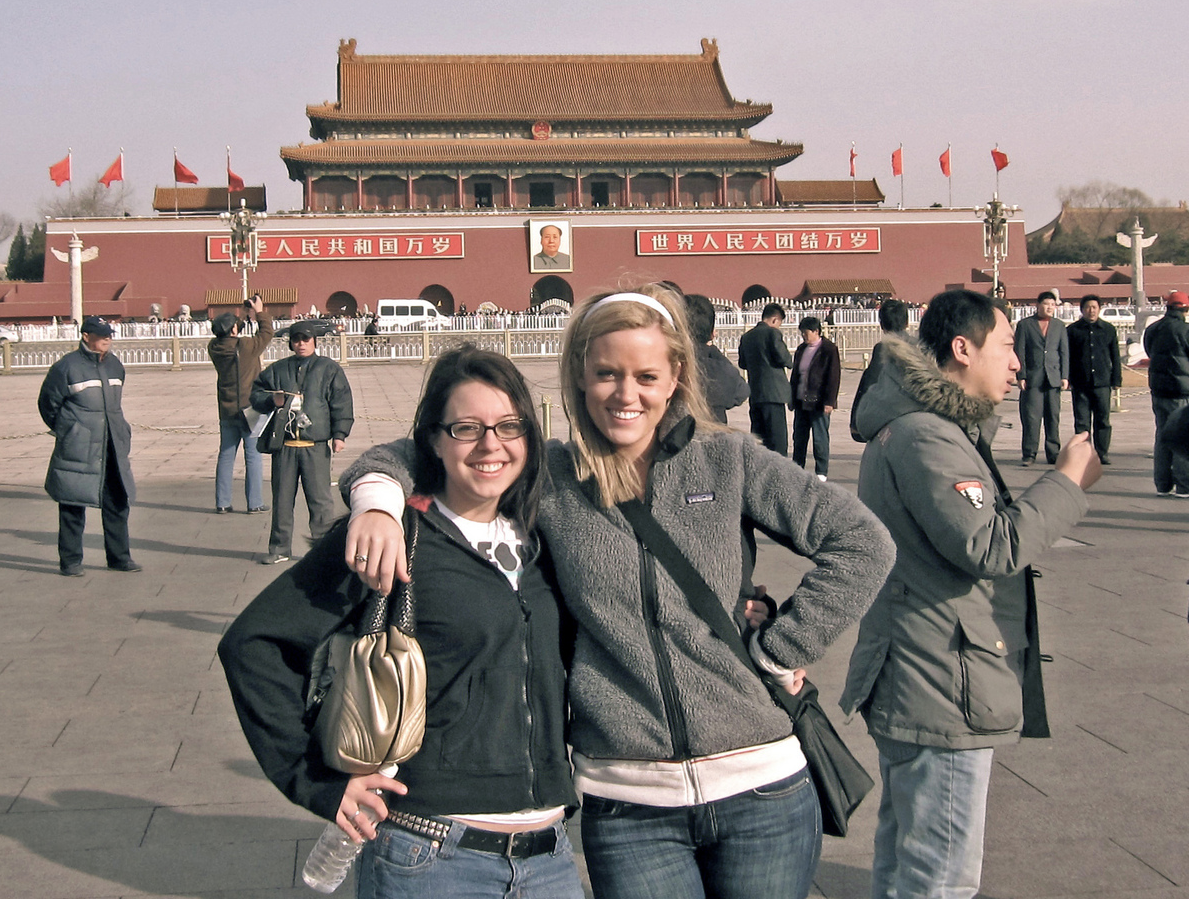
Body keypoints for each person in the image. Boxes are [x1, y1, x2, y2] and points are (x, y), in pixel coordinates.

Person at [340, 284, 895, 899]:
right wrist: (377, 505)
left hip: (762, 785)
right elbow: (419, 449)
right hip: (628, 801)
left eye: (645, 375)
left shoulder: (728, 460)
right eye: (607, 373)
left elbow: (864, 544)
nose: (626, 395)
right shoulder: (550, 477)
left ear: (676, 375)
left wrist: (780, 646)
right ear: (580, 375)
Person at [219, 346, 585, 899]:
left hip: (551, 858)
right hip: (431, 856)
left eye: (510, 426)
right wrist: (315, 781)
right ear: (433, 441)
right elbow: (255, 643)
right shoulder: (394, 537)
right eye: (466, 428)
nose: (492, 445)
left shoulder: (546, 538)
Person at [840, 289, 1099, 899]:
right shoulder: (926, 437)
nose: (1018, 364)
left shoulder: (925, 427)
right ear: (962, 349)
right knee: (941, 876)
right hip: (940, 679)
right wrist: (1064, 483)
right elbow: (990, 546)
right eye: (1008, 347)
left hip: (926, 666)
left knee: (907, 861)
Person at [37, 316, 141, 576]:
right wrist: (69, 429)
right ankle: (70, 561)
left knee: (117, 502)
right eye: (101, 334)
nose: (107, 338)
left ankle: (119, 557)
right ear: (86, 336)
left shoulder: (115, 366)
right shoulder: (66, 367)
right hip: (79, 447)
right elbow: (47, 404)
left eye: (109, 334)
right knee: (72, 504)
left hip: (112, 446)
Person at [250, 322, 354, 565]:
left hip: (315, 446)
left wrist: (340, 434)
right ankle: (279, 547)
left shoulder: (329, 369)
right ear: (291, 343)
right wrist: (271, 400)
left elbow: (341, 402)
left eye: (306, 339)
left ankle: (323, 549)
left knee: (320, 501)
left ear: (315, 341)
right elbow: (256, 394)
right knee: (282, 500)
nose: (301, 343)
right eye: (296, 339)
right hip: (285, 446)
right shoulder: (279, 369)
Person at [208, 294, 274, 514]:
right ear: (234, 331)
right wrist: (260, 311)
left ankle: (222, 502)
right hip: (250, 407)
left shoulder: (214, 347)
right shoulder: (245, 346)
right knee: (253, 455)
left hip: (227, 409)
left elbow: (233, 336)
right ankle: (254, 502)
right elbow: (266, 333)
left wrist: (245, 317)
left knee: (226, 455)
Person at [1014, 291, 1069, 466]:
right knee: (1031, 418)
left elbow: (1064, 352)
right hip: (1032, 378)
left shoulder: (1059, 326)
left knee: (1053, 418)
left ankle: (1053, 454)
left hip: (1053, 378)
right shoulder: (1025, 325)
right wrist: (1021, 375)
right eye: (1047, 304)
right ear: (1038, 305)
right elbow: (1019, 351)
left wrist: (1065, 376)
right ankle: (1029, 454)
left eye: (1053, 305)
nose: (1050, 307)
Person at [1143, 290, 1189, 496]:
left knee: (1162, 434)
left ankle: (1162, 483)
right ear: (1185, 309)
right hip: (1181, 390)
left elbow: (1148, 351)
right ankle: (1183, 484)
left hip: (1158, 388)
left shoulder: (1153, 329)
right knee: (1182, 435)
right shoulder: (1185, 330)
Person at [1066, 294, 1122, 465]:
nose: (1091, 311)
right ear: (1082, 310)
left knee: (1103, 420)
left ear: (1099, 309)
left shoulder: (1108, 329)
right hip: (1080, 382)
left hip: (1102, 382)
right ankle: (1084, 454)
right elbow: (1068, 356)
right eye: (1088, 307)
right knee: (1082, 421)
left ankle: (1101, 452)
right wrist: (1067, 378)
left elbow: (1115, 356)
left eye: (1094, 307)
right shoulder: (1072, 330)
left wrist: (1116, 379)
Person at [789, 316, 841, 481]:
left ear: (816, 331)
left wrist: (829, 401)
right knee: (799, 436)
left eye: (806, 333)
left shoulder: (828, 349)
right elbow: (795, 375)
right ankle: (797, 467)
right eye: (802, 333)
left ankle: (821, 471)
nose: (804, 336)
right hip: (801, 400)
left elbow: (833, 377)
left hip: (819, 401)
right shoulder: (801, 349)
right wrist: (791, 397)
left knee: (820, 438)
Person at [737, 302, 792, 454]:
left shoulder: (747, 337)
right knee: (777, 441)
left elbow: (742, 363)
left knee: (759, 439)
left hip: (756, 393)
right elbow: (784, 359)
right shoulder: (773, 333)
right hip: (774, 394)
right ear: (775, 320)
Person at [851, 299, 909, 443]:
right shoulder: (921, 346)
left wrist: (856, 420)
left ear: (882, 324)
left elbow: (870, 383)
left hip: (890, 419)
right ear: (907, 323)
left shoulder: (883, 348)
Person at [684, 293, 749, 423]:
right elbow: (742, 391)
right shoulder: (721, 370)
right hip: (715, 435)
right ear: (712, 333)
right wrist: (712, 348)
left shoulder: (666, 365)